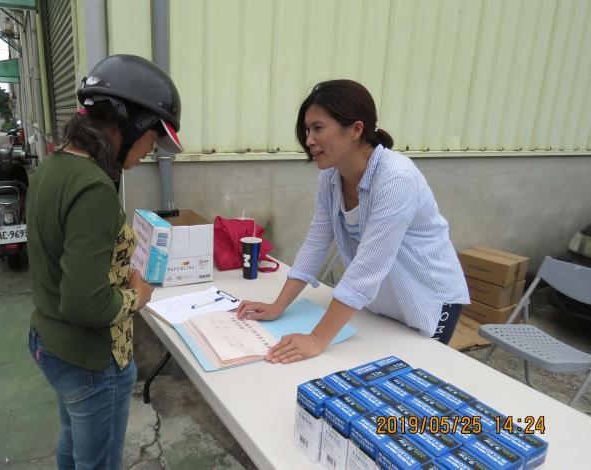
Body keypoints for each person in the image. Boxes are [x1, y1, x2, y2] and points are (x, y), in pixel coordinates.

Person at [237, 80, 469, 363]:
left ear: (356, 129)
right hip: (384, 301)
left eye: (318, 128)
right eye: (307, 130)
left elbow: (368, 267)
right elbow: (316, 241)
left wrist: (316, 339)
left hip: (429, 301)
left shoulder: (396, 178)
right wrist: (278, 306)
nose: (309, 139)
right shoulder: (331, 177)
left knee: (414, 377)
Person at [27, 54, 183, 470]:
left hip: (51, 342)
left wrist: (115, 274)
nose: (151, 149)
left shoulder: (54, 167)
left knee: (73, 443)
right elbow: (83, 303)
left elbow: (61, 259)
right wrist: (138, 296)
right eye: (153, 137)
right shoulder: (95, 187)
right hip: (91, 361)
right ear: (129, 124)